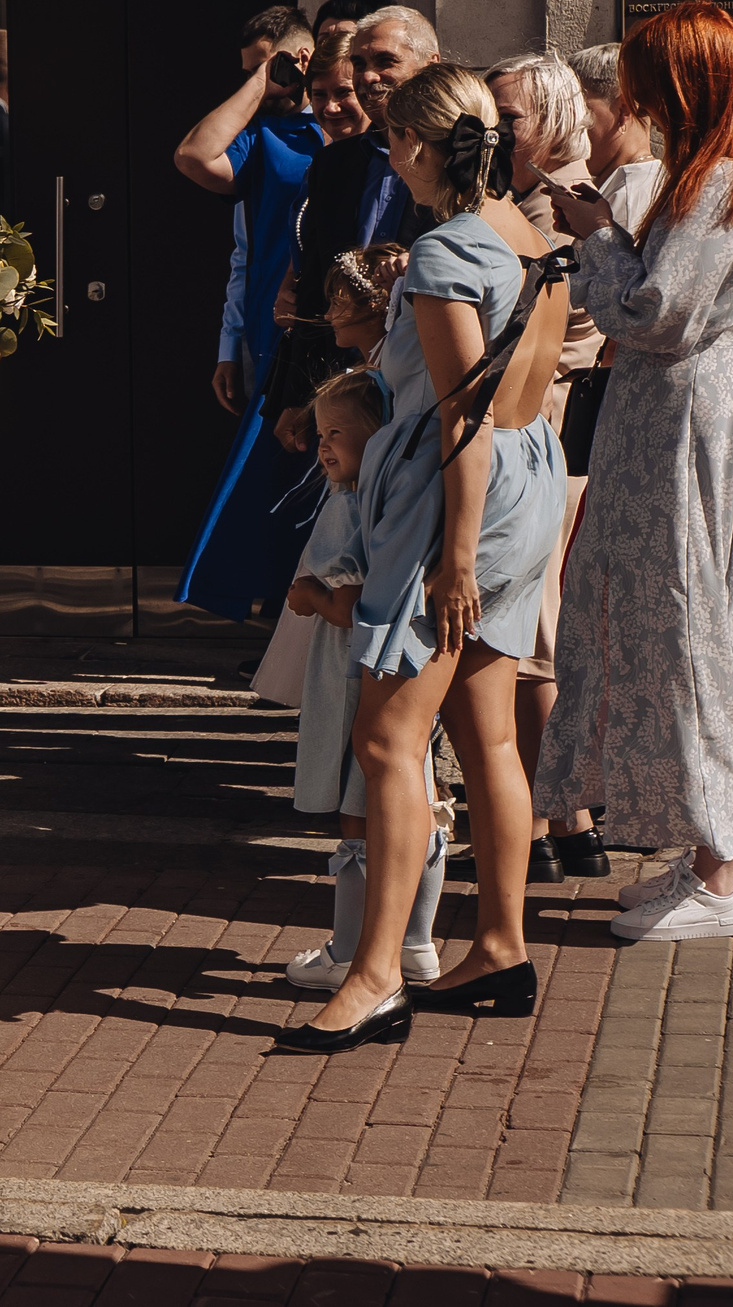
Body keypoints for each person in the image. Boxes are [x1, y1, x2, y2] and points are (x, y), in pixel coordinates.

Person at [278, 64, 569, 1055]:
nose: (389, 161)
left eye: (393, 144)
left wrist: (449, 563)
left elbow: (461, 420)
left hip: (457, 504)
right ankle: (497, 942)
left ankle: (373, 975)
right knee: (486, 730)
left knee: (387, 738)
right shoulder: (528, 235)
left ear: (413, 149)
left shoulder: (446, 251)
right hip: (527, 481)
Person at [536, 0, 733, 944]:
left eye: (646, 75)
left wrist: (596, 238)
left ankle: (724, 870)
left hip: (689, 420)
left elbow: (655, 314)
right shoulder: (706, 174)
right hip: (661, 420)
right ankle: (705, 847)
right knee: (658, 618)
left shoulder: (723, 178)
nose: (632, 92)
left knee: (694, 629)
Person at [281, 366, 446, 993]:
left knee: (359, 817)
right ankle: (415, 943)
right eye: (320, 433)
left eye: (337, 433)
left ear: (373, 440)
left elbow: (348, 606)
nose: (324, 446)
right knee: (422, 804)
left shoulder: (350, 508)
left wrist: (310, 599)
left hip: (353, 676)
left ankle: (349, 950)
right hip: (405, 666)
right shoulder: (395, 501)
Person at [485, 51, 608, 884]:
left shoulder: (564, 207)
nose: (497, 133)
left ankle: (537, 820)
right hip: (556, 433)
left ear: (559, 118)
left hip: (549, 433)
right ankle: (570, 821)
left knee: (534, 635)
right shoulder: (537, 198)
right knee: (541, 629)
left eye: (510, 119)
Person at [173, 5, 324, 622]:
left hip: (341, 325)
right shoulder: (264, 136)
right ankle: (281, 621)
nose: (258, 83)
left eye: (265, 65)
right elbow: (193, 157)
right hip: (271, 328)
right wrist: (226, 344)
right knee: (272, 469)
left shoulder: (352, 129)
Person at [263, 5, 441, 452]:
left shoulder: (462, 161)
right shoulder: (334, 163)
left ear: (430, 66)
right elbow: (316, 287)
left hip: (429, 381)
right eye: (359, 63)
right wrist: (299, 395)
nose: (368, 76)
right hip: (345, 386)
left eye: (385, 62)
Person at [570, 42, 664, 234]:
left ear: (623, 110)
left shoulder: (630, 196)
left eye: (579, 111)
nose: (569, 127)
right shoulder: (638, 183)